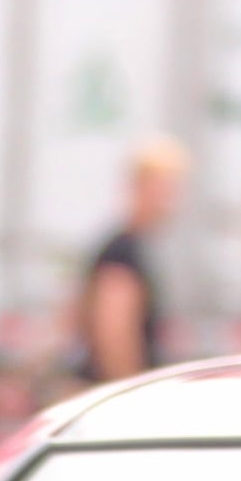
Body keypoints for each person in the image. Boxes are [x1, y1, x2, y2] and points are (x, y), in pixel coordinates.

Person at [79, 136, 185, 383]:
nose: (170, 201)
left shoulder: (135, 248)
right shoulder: (123, 253)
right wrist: (128, 395)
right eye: (165, 189)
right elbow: (115, 336)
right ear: (139, 186)